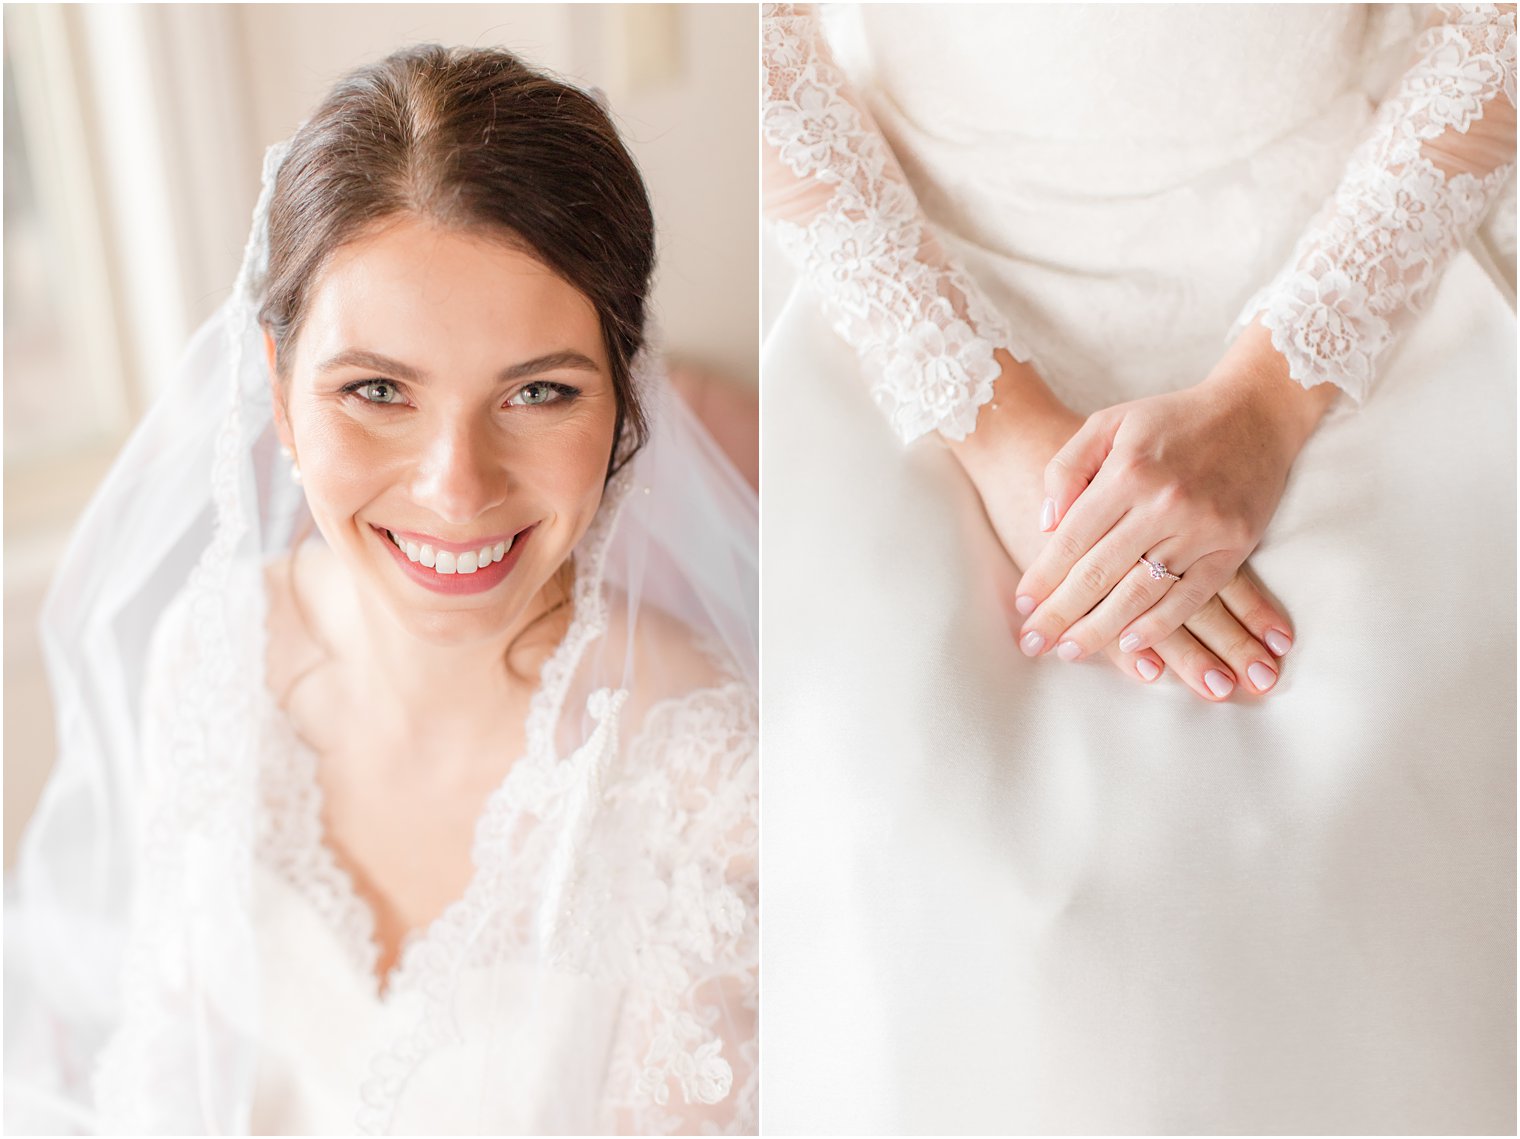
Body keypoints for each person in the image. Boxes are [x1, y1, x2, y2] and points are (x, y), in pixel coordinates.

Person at [762, 3, 1514, 1132]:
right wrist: (988, 415)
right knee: (896, 799)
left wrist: (1273, 391)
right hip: (922, 285)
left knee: (1388, 785)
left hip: (1344, 261)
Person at [6, 44, 757, 1135]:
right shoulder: (214, 652)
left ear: (624, 404)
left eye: (538, 391)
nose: (457, 486)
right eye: (376, 390)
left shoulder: (708, 775)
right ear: (277, 394)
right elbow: (176, 1076)